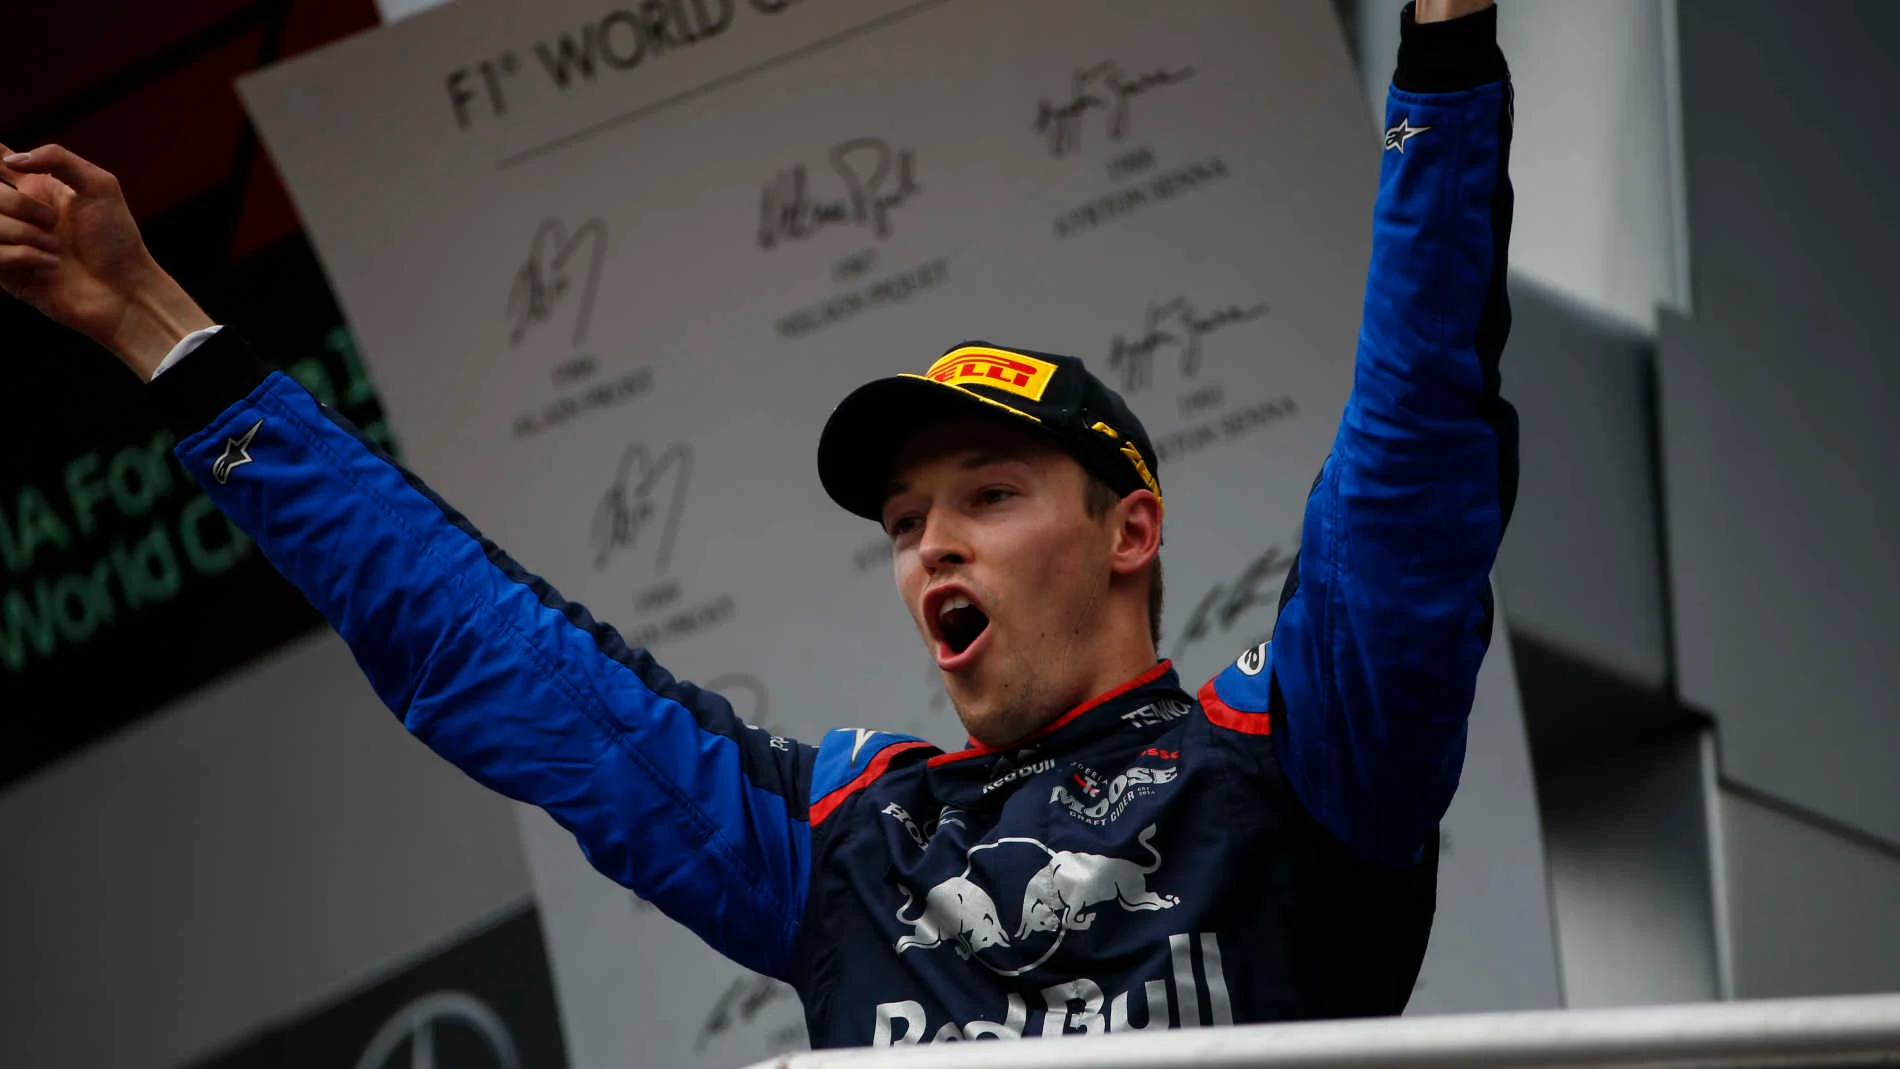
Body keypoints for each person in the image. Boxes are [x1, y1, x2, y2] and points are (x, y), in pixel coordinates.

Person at [0, 0, 1515, 1048]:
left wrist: (1445, 48)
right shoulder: (846, 841)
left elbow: (1410, 459)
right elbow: (496, 656)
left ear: (1131, 531)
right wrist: (159, 327)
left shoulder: (1293, 756)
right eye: (907, 516)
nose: (932, 543)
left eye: (989, 496)